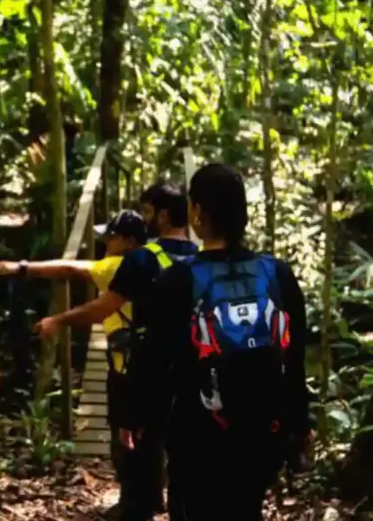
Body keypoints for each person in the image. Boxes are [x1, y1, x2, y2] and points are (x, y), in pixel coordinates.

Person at [121, 163, 311, 521]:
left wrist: (136, 417)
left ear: (198, 213)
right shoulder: (277, 274)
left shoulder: (179, 280)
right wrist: (299, 425)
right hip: (261, 434)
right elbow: (293, 359)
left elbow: (152, 361)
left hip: (198, 436)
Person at [36, 182, 199, 521]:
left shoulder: (141, 260)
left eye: (149, 212)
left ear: (164, 214)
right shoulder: (203, 259)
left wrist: (58, 319)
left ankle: (137, 508)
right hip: (192, 371)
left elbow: (100, 310)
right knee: (183, 452)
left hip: (147, 371)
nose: (146, 219)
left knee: (134, 442)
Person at [0, 209, 146, 292]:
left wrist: (20, 267)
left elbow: (68, 268)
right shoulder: (146, 260)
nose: (105, 242)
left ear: (130, 242)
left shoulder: (119, 266)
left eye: (111, 238)